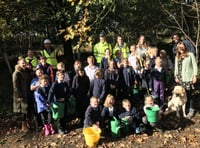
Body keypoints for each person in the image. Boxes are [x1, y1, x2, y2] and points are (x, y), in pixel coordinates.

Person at [174, 42, 198, 118]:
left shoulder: (190, 55)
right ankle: (185, 109)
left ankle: (191, 110)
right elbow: (176, 68)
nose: (180, 48)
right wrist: (176, 76)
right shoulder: (177, 56)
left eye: (182, 46)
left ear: (185, 47)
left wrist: (195, 76)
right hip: (180, 79)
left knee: (190, 95)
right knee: (183, 95)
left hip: (189, 78)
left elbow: (194, 65)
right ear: (177, 48)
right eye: (179, 47)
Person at [48, 70, 70, 134]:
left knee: (64, 115)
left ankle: (64, 127)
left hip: (64, 102)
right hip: (57, 102)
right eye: (61, 75)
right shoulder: (55, 84)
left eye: (63, 75)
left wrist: (66, 98)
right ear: (57, 76)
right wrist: (48, 101)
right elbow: (51, 92)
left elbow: (68, 92)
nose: (62, 76)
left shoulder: (65, 83)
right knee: (59, 116)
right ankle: (59, 129)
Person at [12, 57, 30, 132]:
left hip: (27, 93)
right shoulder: (16, 73)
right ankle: (23, 126)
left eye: (25, 63)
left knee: (27, 109)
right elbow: (15, 86)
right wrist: (19, 96)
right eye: (22, 63)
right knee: (23, 110)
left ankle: (27, 124)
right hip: (21, 94)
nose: (24, 64)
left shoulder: (25, 71)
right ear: (18, 64)